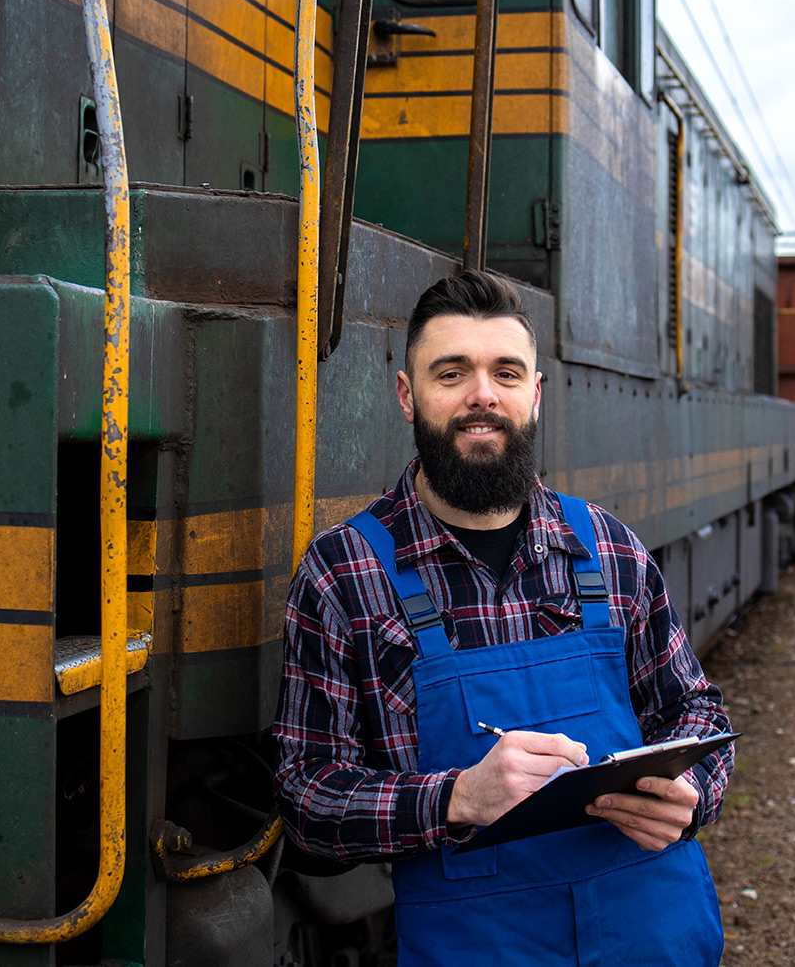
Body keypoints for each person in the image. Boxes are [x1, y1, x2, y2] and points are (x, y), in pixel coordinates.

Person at [272, 269, 732, 965]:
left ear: (535, 395)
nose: (482, 394)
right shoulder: (345, 574)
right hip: (482, 944)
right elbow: (307, 795)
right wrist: (456, 796)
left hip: (650, 931)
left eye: (506, 372)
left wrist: (692, 791)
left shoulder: (608, 546)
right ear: (407, 395)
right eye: (451, 372)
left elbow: (698, 714)